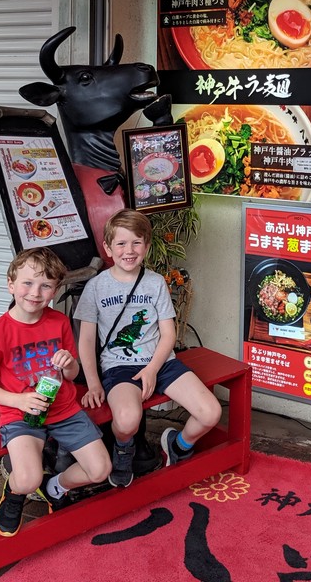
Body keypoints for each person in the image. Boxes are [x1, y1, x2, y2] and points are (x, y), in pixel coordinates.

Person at [75, 208, 221, 488]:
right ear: (108, 248)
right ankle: (122, 450)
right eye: (120, 243)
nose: (128, 250)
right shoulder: (95, 287)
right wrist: (93, 383)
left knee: (210, 412)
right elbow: (86, 340)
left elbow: (168, 333)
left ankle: (178, 445)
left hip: (161, 362)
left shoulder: (155, 283)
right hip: (120, 365)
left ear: (147, 246)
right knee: (128, 420)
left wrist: (153, 369)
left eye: (136, 243)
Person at [0, 248, 111, 537]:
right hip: (21, 414)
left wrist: (70, 364)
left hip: (63, 409)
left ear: (54, 291)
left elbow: (72, 375)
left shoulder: (59, 322)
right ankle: (15, 494)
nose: (35, 293)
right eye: (27, 283)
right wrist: (19, 400)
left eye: (46, 285)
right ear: (11, 284)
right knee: (26, 479)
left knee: (100, 470)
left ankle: (55, 486)